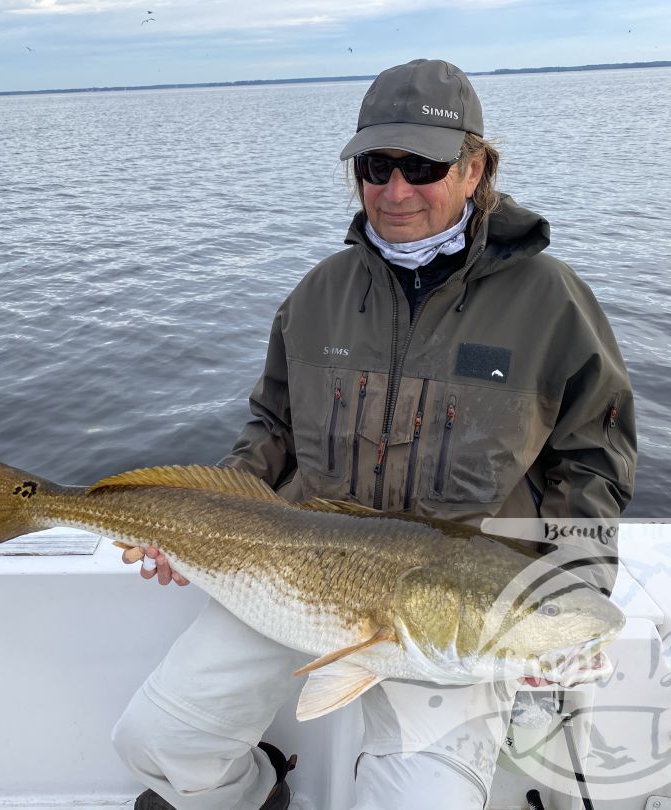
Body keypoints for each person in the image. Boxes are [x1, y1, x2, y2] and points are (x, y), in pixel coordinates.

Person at [112, 58, 637, 809]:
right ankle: (256, 792)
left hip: (455, 603)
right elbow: (271, 427)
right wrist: (201, 522)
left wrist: (565, 595)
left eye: (422, 165)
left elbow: (592, 462)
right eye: (375, 165)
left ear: (475, 167)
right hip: (294, 574)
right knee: (156, 743)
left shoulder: (551, 302)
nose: (395, 191)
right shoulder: (319, 293)